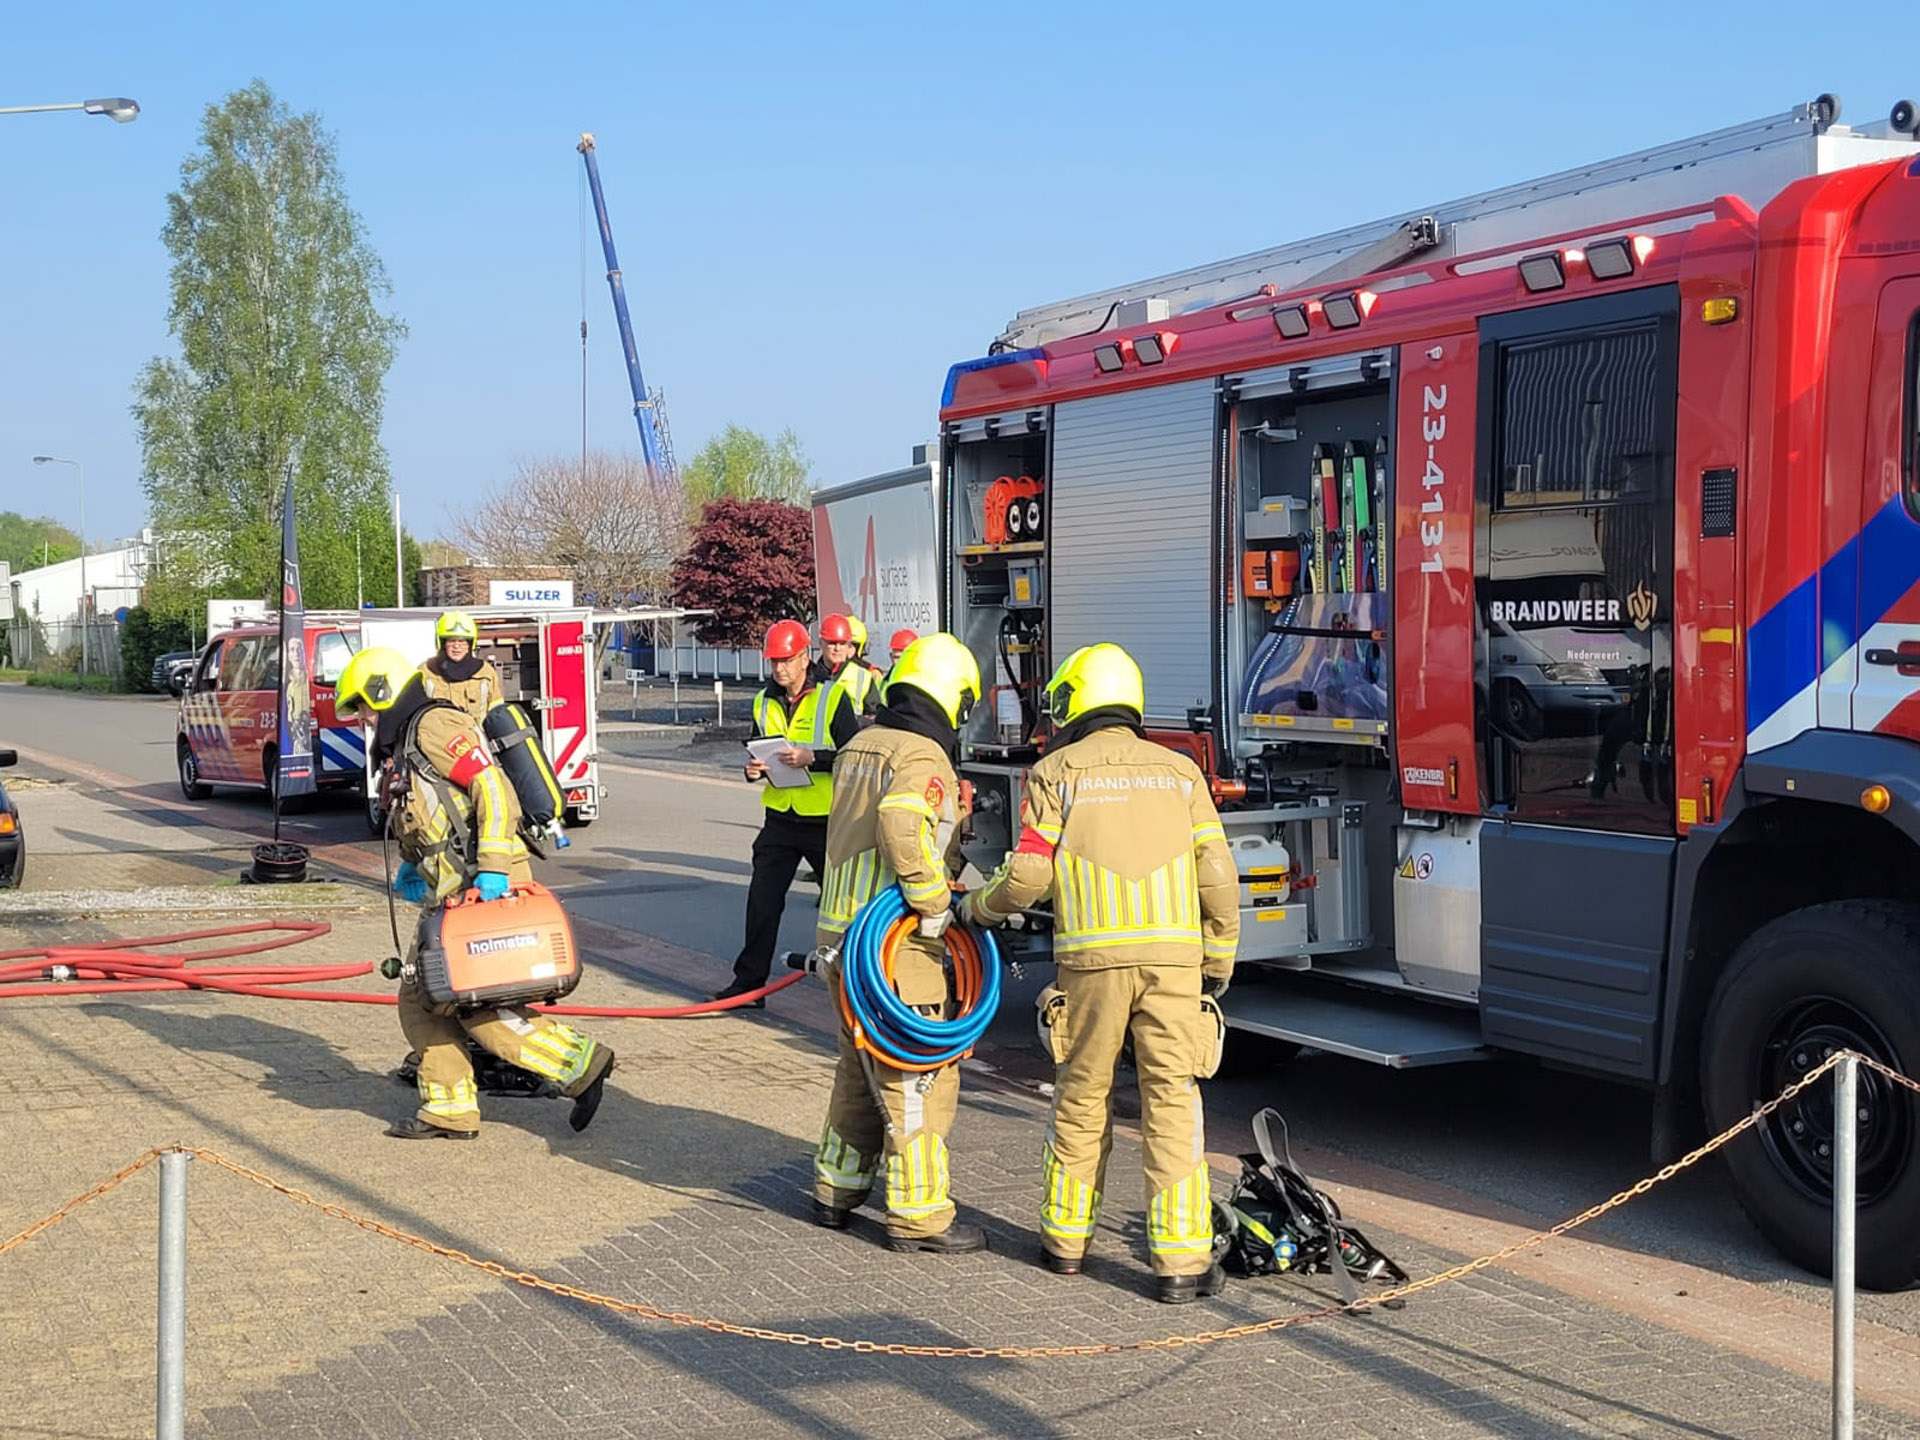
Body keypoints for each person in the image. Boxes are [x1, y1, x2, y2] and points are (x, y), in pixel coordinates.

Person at [963, 643, 1239, 1302]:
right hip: (1174, 967)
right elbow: (1218, 876)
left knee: (1082, 1099)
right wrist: (1217, 955)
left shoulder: (1056, 771)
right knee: (1173, 1105)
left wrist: (978, 907)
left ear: (1076, 702)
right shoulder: (1181, 774)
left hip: (1091, 967)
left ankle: (1064, 1243)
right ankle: (1178, 1264)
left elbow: (1029, 873)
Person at [335, 645, 616, 1140]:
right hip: (449, 891)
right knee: (424, 998)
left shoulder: (433, 727)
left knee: (475, 1005)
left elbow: (488, 788)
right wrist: (412, 867)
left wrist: (491, 870)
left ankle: (579, 1064)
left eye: (362, 705)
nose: (361, 718)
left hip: (481, 885)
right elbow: (428, 817)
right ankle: (450, 1107)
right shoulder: (405, 743)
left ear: (381, 689)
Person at [811, 633, 987, 1253]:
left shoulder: (862, 743)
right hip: (893, 945)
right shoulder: (922, 756)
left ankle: (837, 1189)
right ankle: (919, 1215)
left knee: (858, 1066)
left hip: (841, 936)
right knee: (918, 1074)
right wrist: (933, 899)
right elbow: (899, 825)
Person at [712, 619, 860, 1007]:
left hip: (825, 820)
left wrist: (814, 758)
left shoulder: (832, 697)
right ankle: (748, 986)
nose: (779, 669)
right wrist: (751, 770)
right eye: (774, 661)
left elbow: (856, 756)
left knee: (845, 906)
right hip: (780, 816)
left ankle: (861, 982)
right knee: (762, 901)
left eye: (787, 660)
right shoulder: (763, 701)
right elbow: (758, 748)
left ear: (805, 657)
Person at [417, 609, 504, 722]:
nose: (457, 646)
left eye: (462, 641)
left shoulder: (485, 673)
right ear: (442, 644)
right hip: (438, 738)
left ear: (470, 644)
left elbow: (497, 713)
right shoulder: (426, 671)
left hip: (474, 738)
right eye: (451, 641)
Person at [819, 613, 882, 719]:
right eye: (832, 643)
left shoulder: (863, 677)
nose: (837, 649)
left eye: (842, 643)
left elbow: (875, 718)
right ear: (821, 643)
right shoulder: (808, 677)